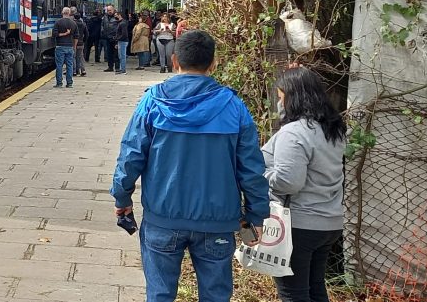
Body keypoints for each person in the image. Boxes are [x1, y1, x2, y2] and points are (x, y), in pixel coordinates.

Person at [111, 30, 270, 302]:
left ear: (174, 61)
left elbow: (131, 155)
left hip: (163, 217)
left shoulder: (153, 102)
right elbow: (252, 169)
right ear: (214, 63)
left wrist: (122, 196)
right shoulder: (234, 106)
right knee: (216, 296)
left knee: (160, 295)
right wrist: (256, 215)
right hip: (217, 222)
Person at [265, 67, 346, 302]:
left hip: (299, 224)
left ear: (293, 98)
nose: (279, 104)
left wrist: (262, 174)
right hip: (329, 222)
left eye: (281, 98)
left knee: (294, 293)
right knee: (315, 288)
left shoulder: (294, 133)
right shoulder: (333, 129)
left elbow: (289, 182)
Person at [53, 7, 78, 88]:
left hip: (60, 46)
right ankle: (69, 83)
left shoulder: (58, 22)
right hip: (70, 46)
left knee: (59, 65)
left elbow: (54, 34)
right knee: (69, 65)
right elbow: (76, 37)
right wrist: (74, 46)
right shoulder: (73, 23)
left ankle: (59, 83)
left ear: (62, 12)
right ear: (70, 13)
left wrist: (64, 34)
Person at [101, 6, 119, 73]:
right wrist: (102, 32)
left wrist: (117, 36)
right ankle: (110, 67)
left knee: (116, 53)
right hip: (107, 37)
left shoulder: (116, 17)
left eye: (110, 10)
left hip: (115, 38)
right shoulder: (105, 17)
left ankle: (117, 67)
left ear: (113, 10)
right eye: (108, 10)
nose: (109, 11)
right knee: (109, 53)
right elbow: (102, 25)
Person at [73, 9, 88, 76]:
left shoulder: (72, 24)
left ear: (74, 17)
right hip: (81, 43)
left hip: (73, 43)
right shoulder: (83, 24)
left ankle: (75, 71)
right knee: (81, 57)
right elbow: (87, 34)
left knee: (73, 57)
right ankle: (83, 70)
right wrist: (83, 40)